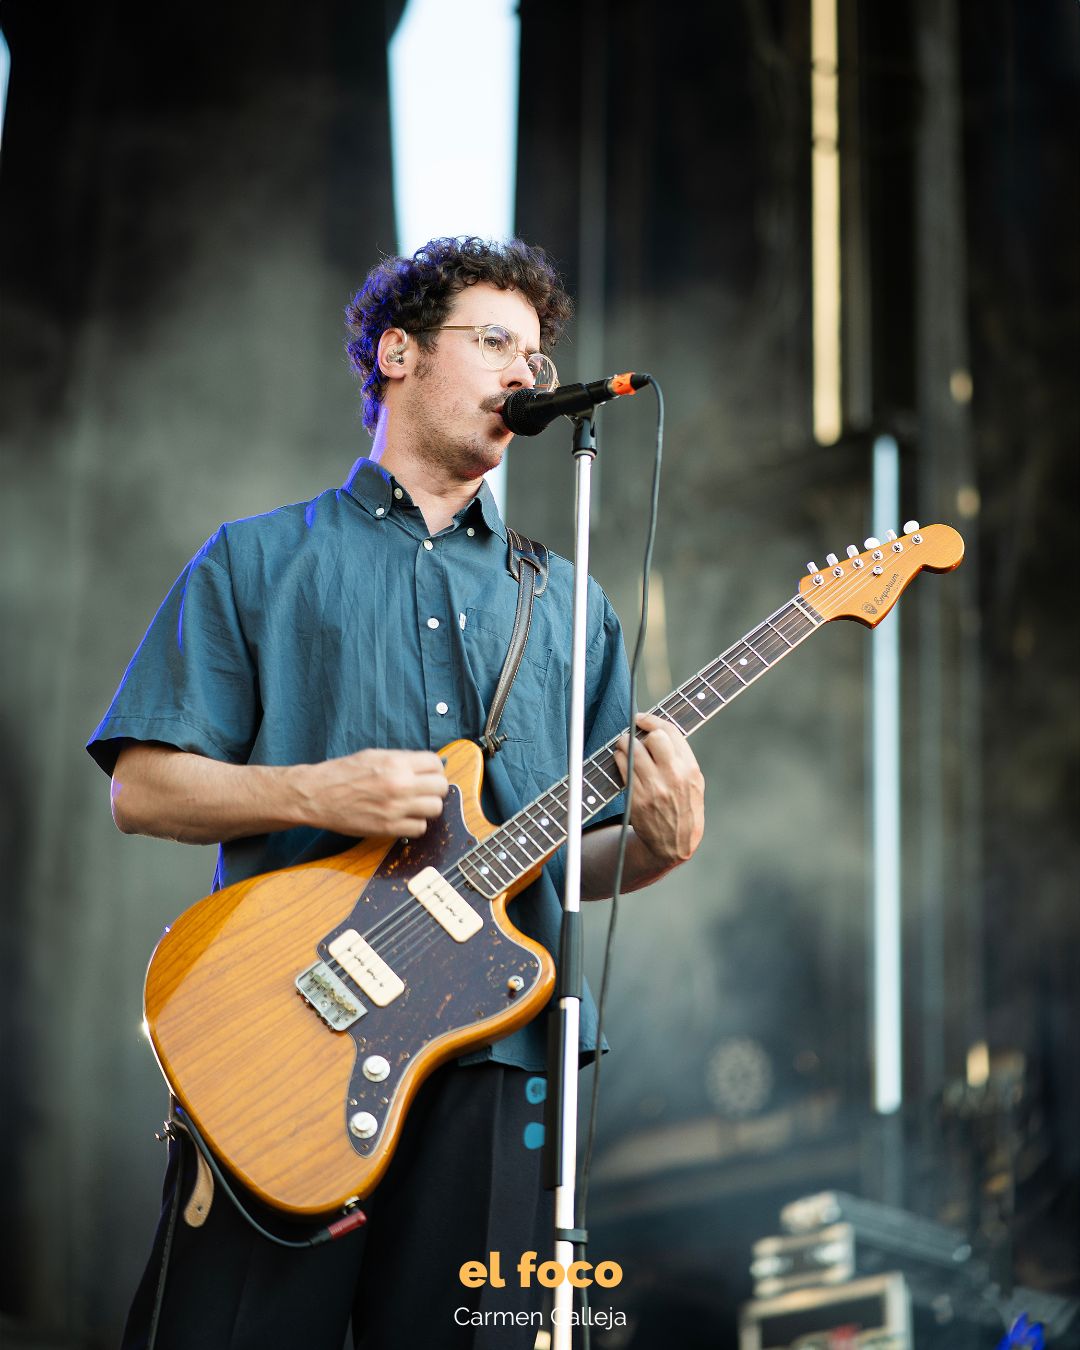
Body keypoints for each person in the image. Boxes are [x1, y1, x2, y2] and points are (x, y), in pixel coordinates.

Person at [88, 236, 705, 1350]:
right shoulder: (255, 559)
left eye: (535, 353)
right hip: (289, 1036)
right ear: (398, 353)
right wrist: (316, 792)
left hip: (500, 1054)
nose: (524, 371)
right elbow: (141, 789)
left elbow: (568, 862)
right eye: (494, 341)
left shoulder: (572, 604)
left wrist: (658, 847)